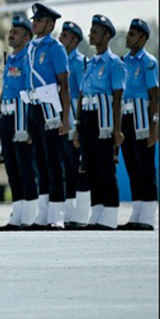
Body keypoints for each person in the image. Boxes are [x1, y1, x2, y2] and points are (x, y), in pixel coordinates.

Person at [24, 3, 72, 229]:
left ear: (50, 24)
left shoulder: (55, 48)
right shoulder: (31, 47)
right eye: (34, 19)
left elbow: (64, 84)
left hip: (51, 108)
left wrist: (65, 119)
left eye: (39, 20)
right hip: (34, 107)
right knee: (40, 163)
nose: (34, 23)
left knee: (54, 163)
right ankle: (42, 215)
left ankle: (57, 215)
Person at [78, 15, 125, 230]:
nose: (91, 34)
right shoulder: (90, 62)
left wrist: (117, 129)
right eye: (91, 30)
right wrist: (78, 127)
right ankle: (96, 211)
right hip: (88, 115)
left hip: (104, 115)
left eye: (95, 31)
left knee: (105, 165)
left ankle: (110, 213)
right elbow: (82, 94)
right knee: (90, 165)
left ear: (106, 36)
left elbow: (117, 99)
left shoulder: (114, 63)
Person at [0, 15, 40, 231]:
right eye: (11, 30)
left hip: (23, 116)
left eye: (17, 31)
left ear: (27, 37)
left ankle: (30, 214)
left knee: (25, 166)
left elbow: (31, 91)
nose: (11, 34)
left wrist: (30, 125)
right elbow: (4, 89)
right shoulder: (10, 59)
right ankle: (18, 212)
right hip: (7, 116)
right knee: (12, 166)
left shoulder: (27, 58)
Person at [120, 18, 158, 230]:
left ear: (143, 38)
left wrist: (155, 127)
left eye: (133, 34)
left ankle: (148, 216)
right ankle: (136, 213)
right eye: (128, 33)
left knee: (145, 165)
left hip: (143, 115)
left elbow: (155, 95)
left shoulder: (148, 62)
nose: (128, 37)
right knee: (132, 166)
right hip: (126, 116)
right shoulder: (124, 61)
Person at [58, 21, 90, 227]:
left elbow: (82, 95)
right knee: (66, 169)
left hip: (75, 120)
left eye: (66, 36)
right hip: (61, 120)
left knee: (79, 168)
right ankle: (68, 213)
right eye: (61, 34)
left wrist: (78, 126)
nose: (61, 38)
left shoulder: (80, 62)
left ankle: (81, 214)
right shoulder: (58, 60)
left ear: (75, 41)